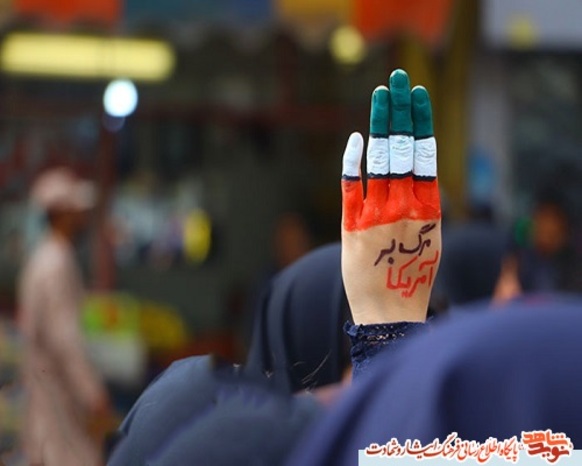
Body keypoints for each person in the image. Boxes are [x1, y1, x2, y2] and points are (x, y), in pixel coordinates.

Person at [18, 167, 110, 466]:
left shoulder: (44, 257)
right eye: (75, 210)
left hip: (48, 390)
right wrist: (92, 392)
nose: (81, 216)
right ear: (60, 213)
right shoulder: (56, 263)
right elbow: (65, 338)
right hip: (58, 391)